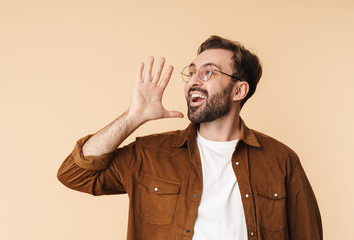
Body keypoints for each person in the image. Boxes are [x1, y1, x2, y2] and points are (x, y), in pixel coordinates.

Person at [57, 35, 322, 240]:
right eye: (192, 72)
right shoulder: (150, 155)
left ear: (239, 90)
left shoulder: (281, 160)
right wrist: (133, 116)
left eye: (208, 72)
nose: (193, 81)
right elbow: (74, 174)